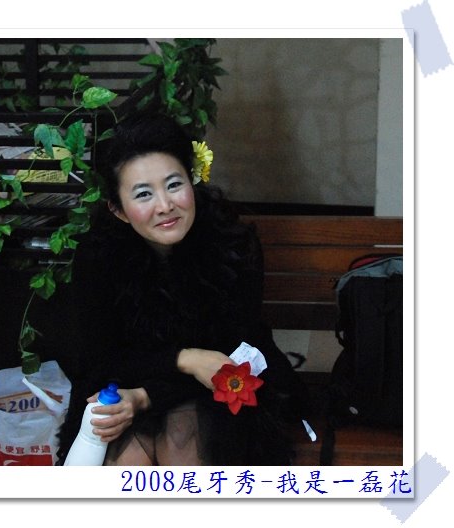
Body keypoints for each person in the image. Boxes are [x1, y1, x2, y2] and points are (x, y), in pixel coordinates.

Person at [50, 112, 311, 466]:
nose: (165, 206)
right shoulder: (98, 257)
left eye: (174, 185)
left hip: (218, 390)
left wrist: (148, 395)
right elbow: (100, 359)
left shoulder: (233, 246)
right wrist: (184, 359)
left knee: (183, 442)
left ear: (192, 180)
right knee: (127, 459)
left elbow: (233, 354)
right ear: (119, 210)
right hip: (124, 384)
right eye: (143, 194)